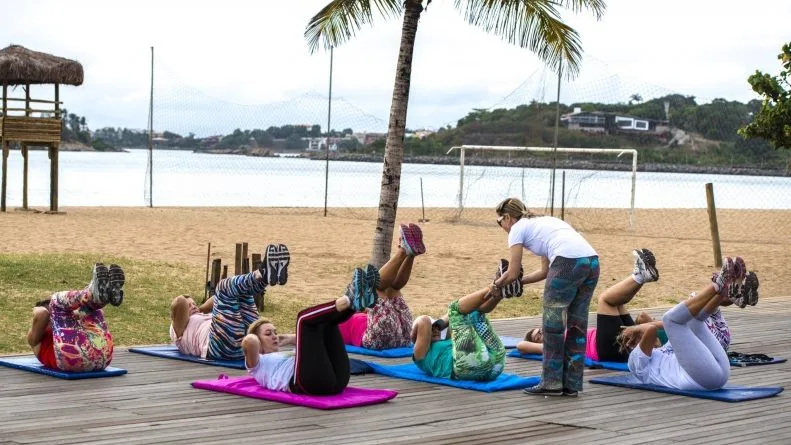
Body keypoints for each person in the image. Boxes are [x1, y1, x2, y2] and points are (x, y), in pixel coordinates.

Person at [491, 197, 600, 397]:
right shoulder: (545, 222)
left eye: (500, 222)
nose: (502, 227)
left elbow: (513, 272)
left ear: (507, 217)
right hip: (592, 263)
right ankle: (572, 384)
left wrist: (495, 286)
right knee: (577, 325)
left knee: (552, 326)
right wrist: (519, 283)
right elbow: (543, 272)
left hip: (566, 263)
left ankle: (551, 383)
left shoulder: (517, 228)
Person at [617, 256, 759, 390]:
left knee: (693, 321)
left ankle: (726, 292)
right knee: (670, 320)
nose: (653, 341)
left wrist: (639, 328)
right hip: (699, 380)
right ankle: (718, 285)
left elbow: (690, 321)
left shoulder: (664, 349)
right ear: (634, 345)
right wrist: (637, 329)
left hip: (717, 372)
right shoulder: (634, 363)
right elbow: (651, 332)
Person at [241, 265, 380, 394]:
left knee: (326, 324)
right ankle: (347, 300)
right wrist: (254, 337)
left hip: (338, 380)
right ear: (258, 342)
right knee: (303, 320)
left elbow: (312, 342)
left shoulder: (288, 354)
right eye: (268, 333)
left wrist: (289, 338)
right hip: (306, 383)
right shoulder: (258, 364)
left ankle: (355, 304)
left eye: (275, 332)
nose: (274, 336)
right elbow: (249, 342)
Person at [517, 248, 660, 361]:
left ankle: (643, 275)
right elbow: (521, 345)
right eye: (539, 335)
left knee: (617, 302)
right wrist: (540, 344)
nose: (543, 331)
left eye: (540, 329)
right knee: (604, 300)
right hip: (604, 348)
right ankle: (640, 276)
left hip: (611, 341)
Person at [169, 244, 289, 361]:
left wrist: (200, 310)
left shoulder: (208, 318)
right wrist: (198, 309)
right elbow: (180, 302)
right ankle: (261, 274)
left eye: (194, 304)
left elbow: (217, 298)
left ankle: (265, 277)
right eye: (189, 306)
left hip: (249, 343)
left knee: (240, 292)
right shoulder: (179, 328)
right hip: (219, 348)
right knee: (223, 287)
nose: (193, 306)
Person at [410, 261, 523, 382]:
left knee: (474, 313)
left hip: (496, 363)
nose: (435, 330)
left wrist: (439, 324)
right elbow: (424, 320)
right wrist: (415, 335)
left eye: (436, 329)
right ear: (420, 337)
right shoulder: (420, 354)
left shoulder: (449, 343)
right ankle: (495, 285)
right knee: (454, 308)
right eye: (431, 330)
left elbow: (454, 318)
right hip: (469, 365)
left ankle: (501, 293)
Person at [338, 223, 424, 350]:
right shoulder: (329, 324)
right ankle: (404, 251)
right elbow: (298, 336)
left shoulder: (351, 317)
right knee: (373, 287)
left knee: (393, 289)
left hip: (401, 334)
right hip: (378, 337)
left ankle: (410, 254)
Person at [27, 263, 125, 372]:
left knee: (92, 310)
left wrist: (77, 311)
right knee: (56, 299)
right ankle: (91, 293)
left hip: (101, 357)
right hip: (76, 357)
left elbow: (84, 312)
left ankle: (102, 294)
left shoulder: (70, 328)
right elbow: (42, 313)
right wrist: (36, 308)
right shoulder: (35, 339)